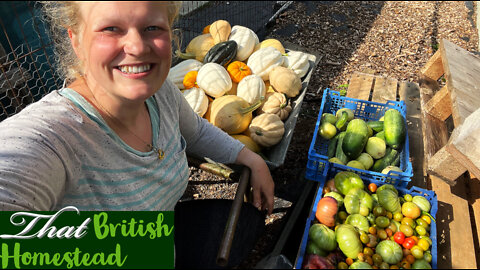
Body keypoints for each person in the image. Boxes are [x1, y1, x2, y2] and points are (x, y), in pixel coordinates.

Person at [0, 1, 274, 214]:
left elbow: (198, 131)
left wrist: (249, 158)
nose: (137, 46)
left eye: (152, 27)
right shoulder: (54, 138)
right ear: (77, 41)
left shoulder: (162, 94)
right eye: (110, 28)